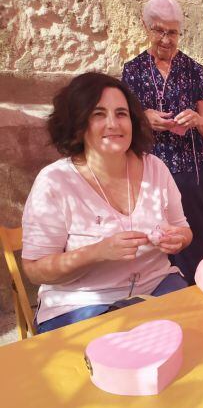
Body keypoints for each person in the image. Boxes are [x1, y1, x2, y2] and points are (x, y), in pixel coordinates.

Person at [21, 73, 193, 333]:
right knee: (117, 365)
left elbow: (185, 231)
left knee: (202, 341)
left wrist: (178, 239)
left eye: (121, 113)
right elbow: (34, 270)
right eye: (98, 114)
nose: (113, 124)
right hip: (81, 304)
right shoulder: (55, 181)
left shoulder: (155, 168)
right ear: (78, 124)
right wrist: (97, 252)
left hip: (157, 288)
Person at [122, 0, 203, 284]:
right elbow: (119, 124)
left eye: (173, 32)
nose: (165, 39)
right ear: (147, 28)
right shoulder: (133, 70)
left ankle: (199, 288)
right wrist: (144, 118)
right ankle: (161, 295)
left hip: (191, 169)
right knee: (157, 238)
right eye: (159, 30)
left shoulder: (193, 70)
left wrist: (197, 120)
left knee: (194, 235)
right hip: (148, 170)